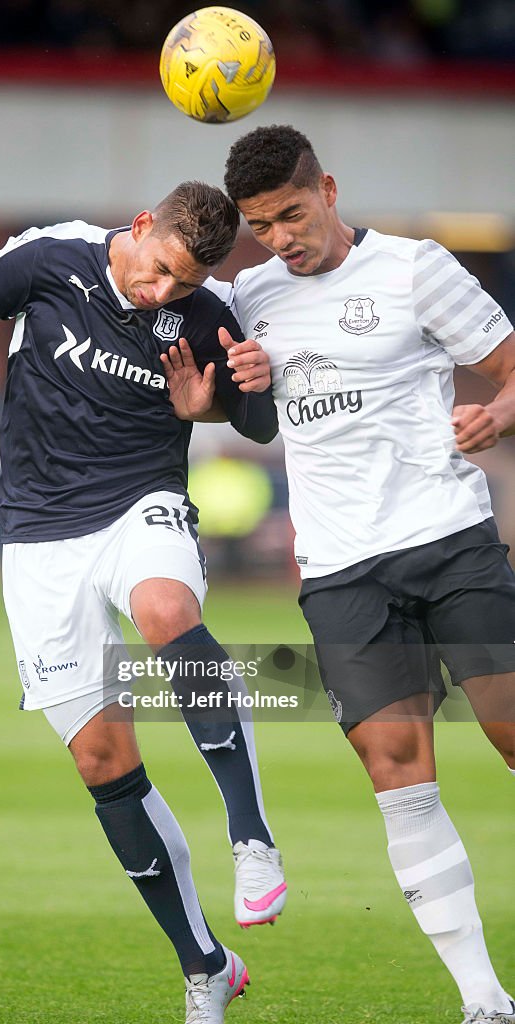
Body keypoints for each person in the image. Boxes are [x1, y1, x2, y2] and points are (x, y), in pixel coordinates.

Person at [0, 182, 286, 1024]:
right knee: (101, 761)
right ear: (137, 229)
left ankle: (251, 837)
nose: (164, 292)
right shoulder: (52, 258)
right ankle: (204, 964)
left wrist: (222, 403)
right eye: (159, 270)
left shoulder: (210, 312)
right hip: (39, 536)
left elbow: (258, 422)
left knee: (167, 611)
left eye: (185, 282)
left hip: (141, 503)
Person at [219, 124, 515, 1024]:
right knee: (398, 771)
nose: (280, 239)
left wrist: (498, 414)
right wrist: (221, 396)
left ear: (330, 190)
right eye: (261, 226)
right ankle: (483, 1002)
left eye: (293, 215)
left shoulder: (415, 268)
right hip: (342, 570)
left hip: (449, 538)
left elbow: (507, 364)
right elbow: (238, 412)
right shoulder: (249, 297)